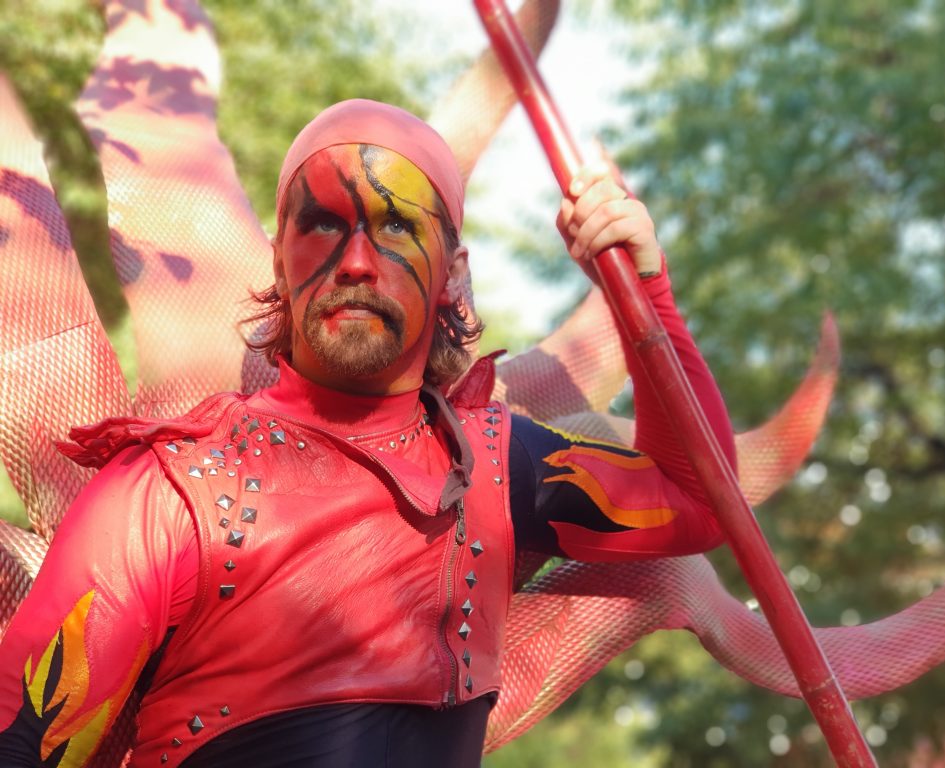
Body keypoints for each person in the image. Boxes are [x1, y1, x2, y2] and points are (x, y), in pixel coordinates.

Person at [0, 99, 735, 767]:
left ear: (453, 275)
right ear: (280, 262)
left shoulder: (496, 463)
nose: (356, 263)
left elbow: (701, 502)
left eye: (397, 227)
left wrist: (645, 296)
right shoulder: (168, 489)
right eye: (323, 223)